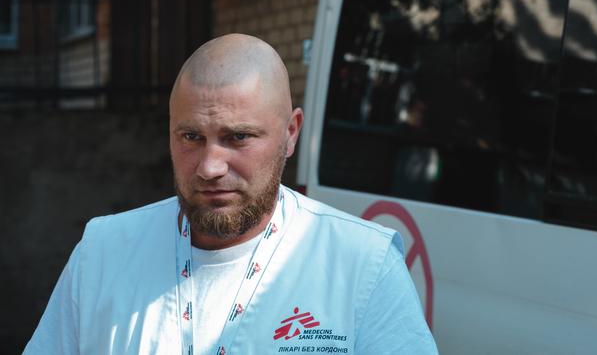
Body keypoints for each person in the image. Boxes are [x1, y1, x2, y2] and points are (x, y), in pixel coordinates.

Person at [25, 34, 438, 354]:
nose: (209, 167)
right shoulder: (103, 252)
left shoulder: (362, 264)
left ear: (290, 133)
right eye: (191, 137)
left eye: (238, 137)